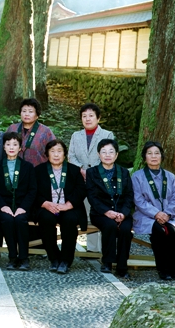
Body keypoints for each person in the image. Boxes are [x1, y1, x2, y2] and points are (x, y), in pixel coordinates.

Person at [34, 140, 87, 275]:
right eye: (52, 151)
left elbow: (81, 190)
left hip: (69, 207)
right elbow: (33, 191)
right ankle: (54, 258)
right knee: (46, 219)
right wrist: (45, 203)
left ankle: (65, 260)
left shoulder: (74, 170)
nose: (56, 155)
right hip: (47, 206)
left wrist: (68, 205)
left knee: (69, 220)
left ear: (65, 154)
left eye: (59, 151)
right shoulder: (39, 170)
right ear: (47, 154)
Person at [68, 102, 115, 254]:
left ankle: (102, 248)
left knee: (99, 210)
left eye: (91, 116)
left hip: (100, 179)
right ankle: (92, 249)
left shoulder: (107, 135)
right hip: (80, 178)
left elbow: (108, 156)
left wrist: (92, 172)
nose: (87, 119)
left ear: (98, 118)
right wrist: (81, 169)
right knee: (86, 210)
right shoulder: (76, 136)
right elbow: (71, 156)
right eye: (84, 116)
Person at [132, 141, 175, 280]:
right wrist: (156, 213)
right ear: (144, 157)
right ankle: (163, 270)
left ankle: (173, 270)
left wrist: (167, 213)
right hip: (146, 216)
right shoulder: (137, 176)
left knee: (173, 234)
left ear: (161, 156)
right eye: (150, 153)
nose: (153, 156)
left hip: (169, 215)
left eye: (157, 153)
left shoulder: (170, 176)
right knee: (159, 232)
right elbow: (139, 200)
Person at [86, 138, 134, 278]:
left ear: (117, 155)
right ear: (98, 154)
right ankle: (107, 262)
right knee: (109, 226)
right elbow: (92, 197)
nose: (108, 155)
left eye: (111, 152)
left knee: (125, 229)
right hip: (100, 213)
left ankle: (122, 265)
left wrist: (124, 213)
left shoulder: (124, 172)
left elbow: (129, 196)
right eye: (104, 152)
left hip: (122, 213)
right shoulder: (92, 172)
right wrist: (107, 212)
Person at [0, 132, 37, 271]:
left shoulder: (28, 167)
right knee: (7, 220)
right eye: (8, 144)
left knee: (20, 220)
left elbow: (32, 190)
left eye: (15, 144)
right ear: (4, 147)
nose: (11, 147)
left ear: (20, 148)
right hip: (3, 206)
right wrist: (2, 206)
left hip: (23, 206)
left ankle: (24, 257)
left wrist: (23, 207)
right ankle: (12, 257)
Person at [6, 98, 55, 167]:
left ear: (37, 115)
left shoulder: (45, 132)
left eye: (30, 111)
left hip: (37, 172)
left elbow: (54, 152)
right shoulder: (12, 128)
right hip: (14, 172)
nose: (27, 114)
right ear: (20, 113)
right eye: (24, 111)